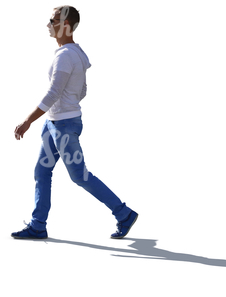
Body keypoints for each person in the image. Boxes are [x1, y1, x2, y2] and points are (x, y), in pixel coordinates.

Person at [11, 5, 138, 240]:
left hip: (63, 128)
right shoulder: (74, 53)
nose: (48, 24)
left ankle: (123, 213)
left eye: (53, 20)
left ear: (66, 25)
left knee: (79, 176)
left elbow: (53, 93)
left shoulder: (67, 55)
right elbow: (82, 90)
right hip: (55, 124)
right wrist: (65, 106)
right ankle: (38, 225)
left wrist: (27, 121)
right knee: (42, 171)